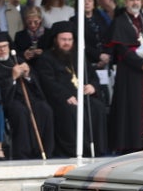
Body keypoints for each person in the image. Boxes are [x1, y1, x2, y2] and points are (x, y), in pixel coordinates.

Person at [34, 21, 109, 157]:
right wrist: (65, 96)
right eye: (63, 39)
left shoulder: (78, 56)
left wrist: (93, 86)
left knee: (97, 107)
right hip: (60, 98)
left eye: (69, 39)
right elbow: (48, 82)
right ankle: (74, 150)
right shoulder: (46, 58)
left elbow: (92, 75)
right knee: (71, 110)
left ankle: (96, 149)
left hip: (82, 96)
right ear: (55, 40)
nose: (67, 43)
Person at [107, 0, 143, 152]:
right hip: (129, 73)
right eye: (132, 0)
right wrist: (140, 63)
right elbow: (121, 49)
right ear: (125, 2)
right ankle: (130, 143)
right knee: (129, 106)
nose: (136, 2)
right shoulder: (120, 22)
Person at [0, 30, 55, 159]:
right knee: (20, 112)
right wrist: (12, 78)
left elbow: (35, 82)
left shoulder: (17, 60)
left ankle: (44, 150)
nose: (2, 50)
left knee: (45, 109)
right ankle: (23, 152)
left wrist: (28, 75)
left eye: (4, 46)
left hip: (28, 98)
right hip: (8, 100)